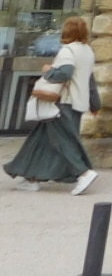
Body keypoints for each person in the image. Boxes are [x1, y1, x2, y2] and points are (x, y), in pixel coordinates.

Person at [6, 15, 99, 195]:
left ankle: (83, 173)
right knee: (41, 140)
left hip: (62, 103)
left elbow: (64, 73)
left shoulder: (68, 51)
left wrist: (48, 71)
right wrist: (95, 104)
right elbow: (90, 81)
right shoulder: (88, 51)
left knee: (64, 140)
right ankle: (31, 178)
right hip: (77, 102)